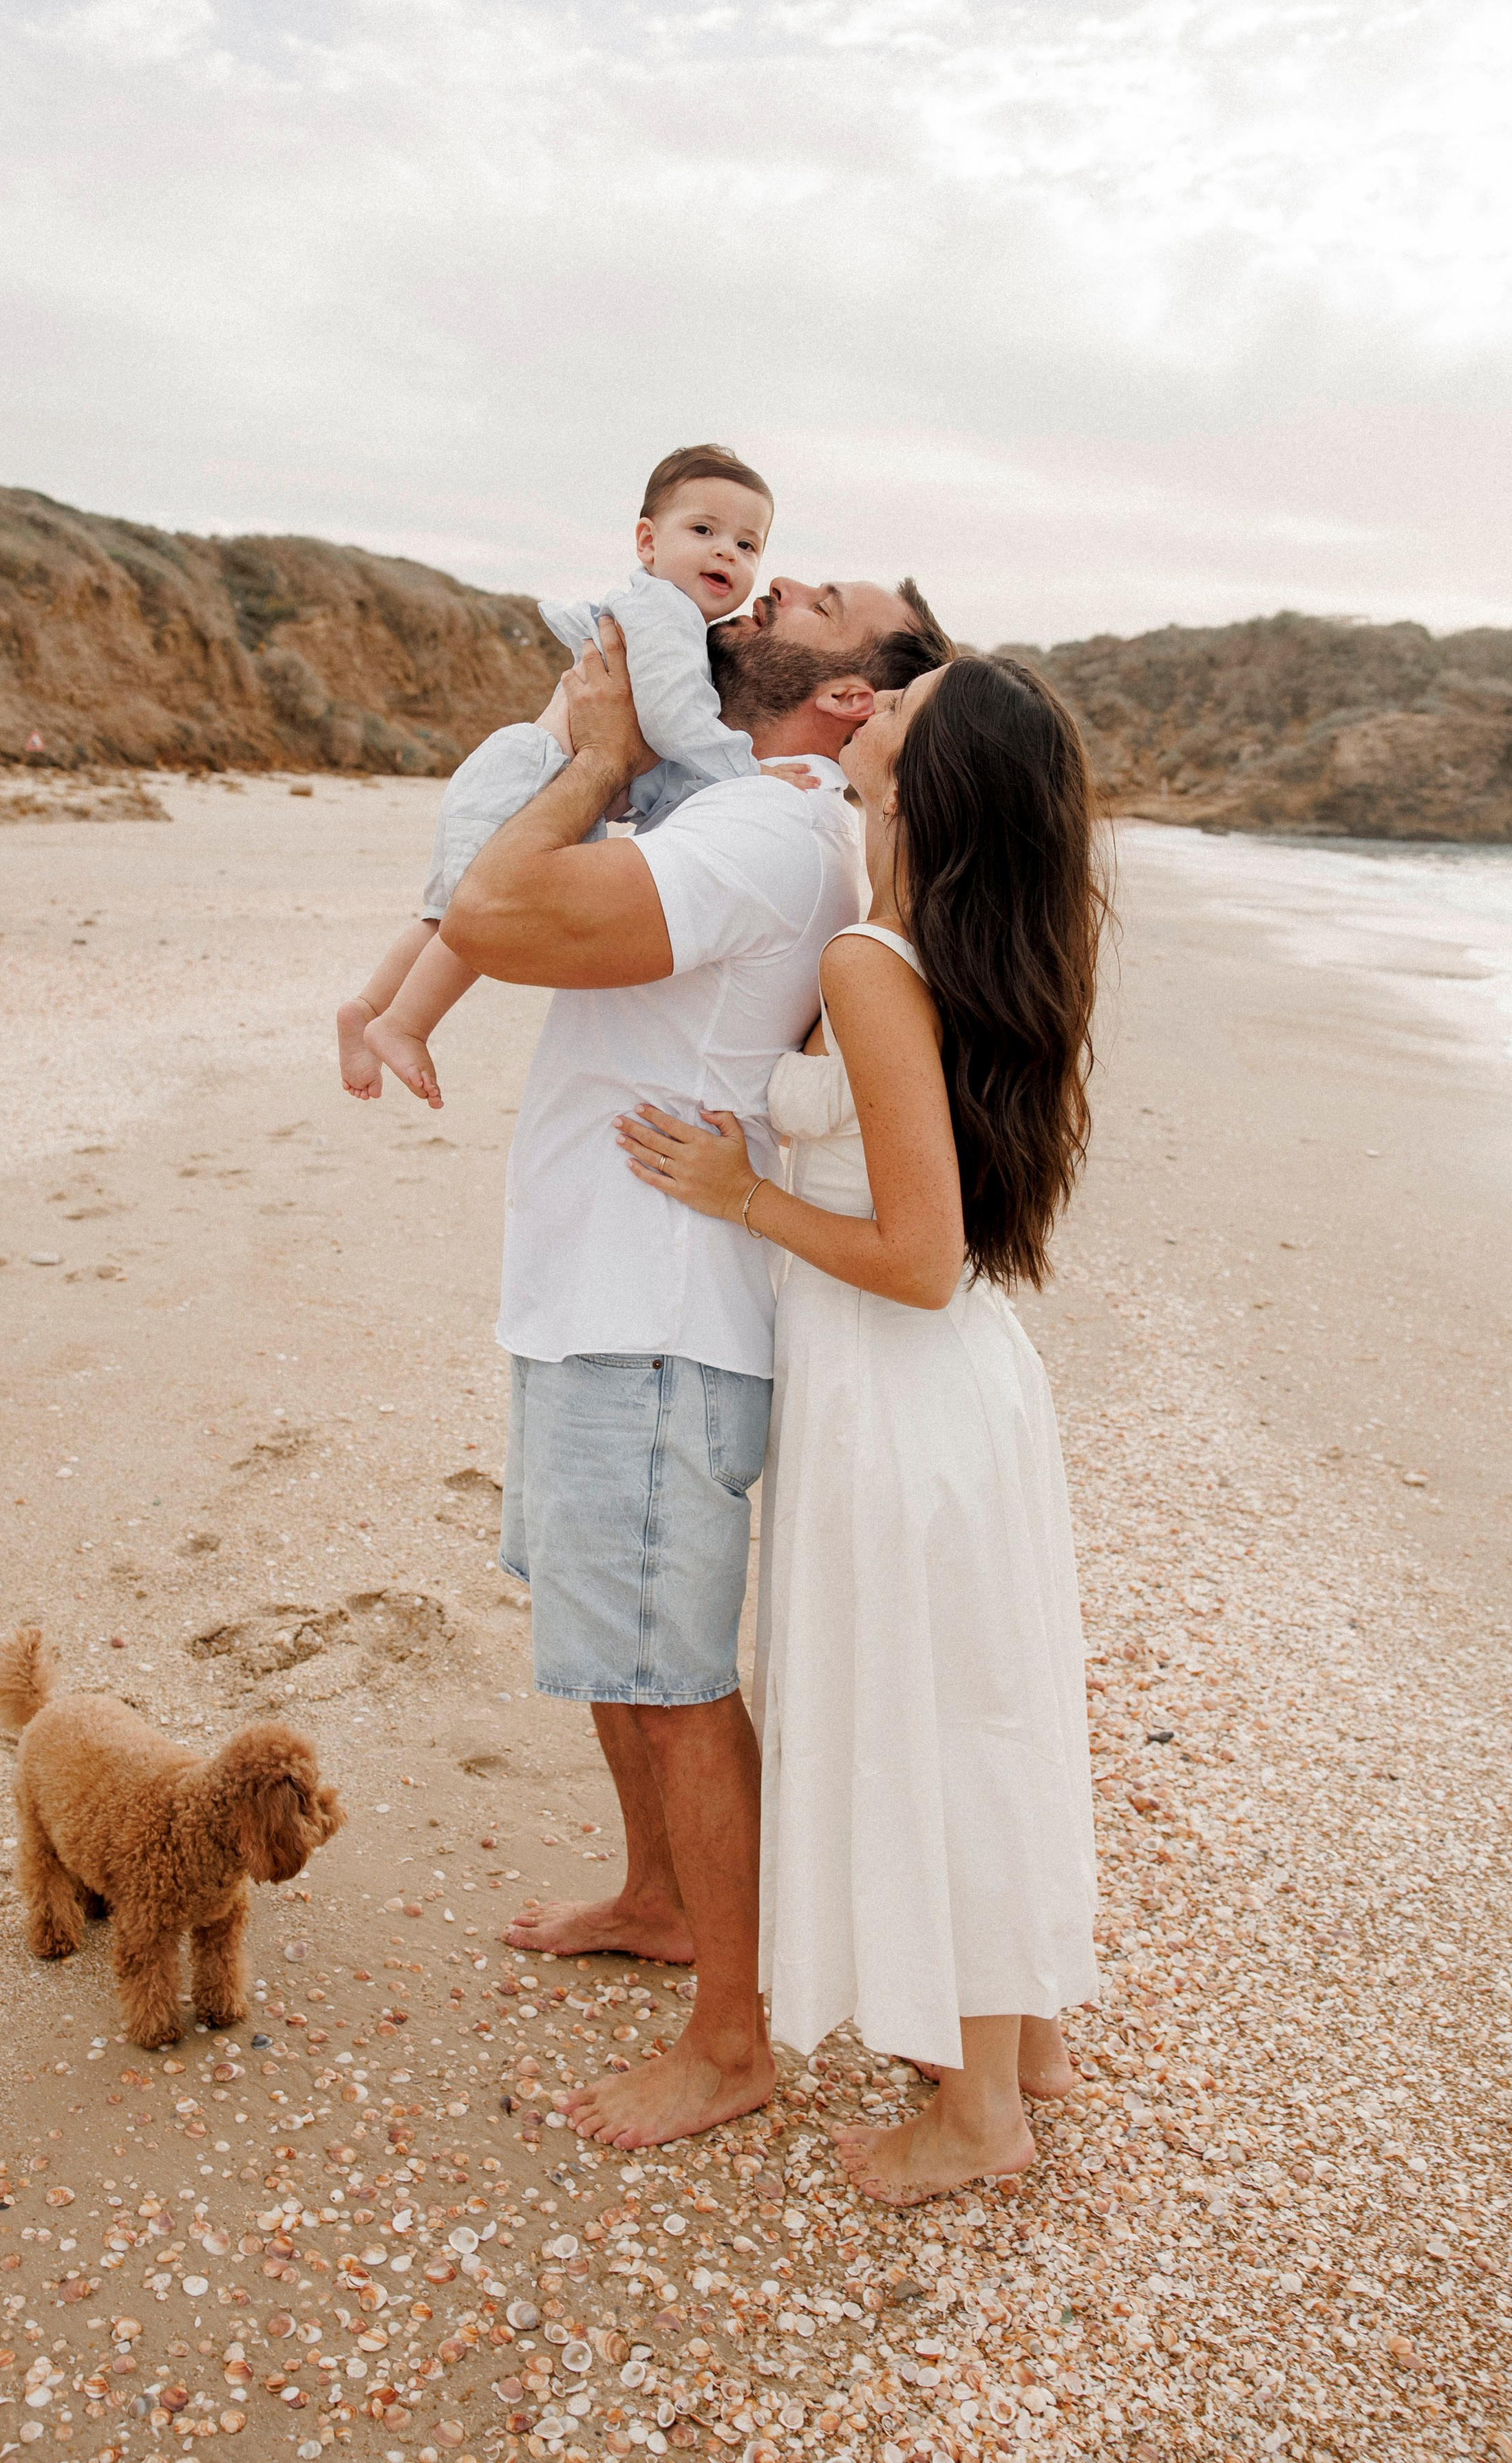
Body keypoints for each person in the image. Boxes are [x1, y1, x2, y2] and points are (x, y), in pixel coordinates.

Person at [437, 575, 953, 2149]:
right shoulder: (740, 810)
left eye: (818, 593)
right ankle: (658, 1896)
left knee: (671, 1685)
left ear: (849, 695)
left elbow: (492, 911)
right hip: (598, 1292)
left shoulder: (762, 828)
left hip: (653, 1318)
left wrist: (588, 764)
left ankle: (728, 2038)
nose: (770, 583)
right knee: (614, 1648)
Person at [613, 652, 1107, 2201]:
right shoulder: (952, 946)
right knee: (974, 1710)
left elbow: (911, 1253)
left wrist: (739, 1194)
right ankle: (1018, 2046)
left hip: (899, 1399)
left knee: (929, 1728)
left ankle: (974, 2118)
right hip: (955, 1391)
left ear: (928, 777)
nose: (872, 706)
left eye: (904, 707)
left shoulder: (874, 967)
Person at [338, 444, 780, 1111]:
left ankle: (370, 1007)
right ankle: (402, 1023)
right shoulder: (667, 614)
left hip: (520, 770)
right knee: (480, 917)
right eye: (704, 530)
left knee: (446, 915)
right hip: (537, 777)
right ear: (647, 542)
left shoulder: (668, 614)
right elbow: (669, 718)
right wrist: (746, 775)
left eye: (747, 544)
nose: (726, 553)